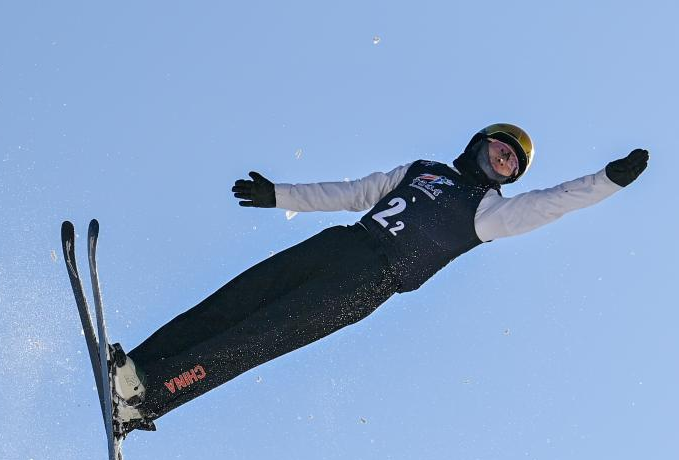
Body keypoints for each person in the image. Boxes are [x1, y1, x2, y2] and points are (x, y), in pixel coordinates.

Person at [109, 123, 649, 432]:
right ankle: (134, 367)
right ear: (479, 142)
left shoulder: (491, 212)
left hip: (369, 283)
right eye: (500, 147)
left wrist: (607, 181)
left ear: (510, 176)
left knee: (256, 335)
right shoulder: (421, 172)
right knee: (235, 299)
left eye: (513, 162)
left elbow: (553, 203)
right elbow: (351, 192)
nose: (503, 159)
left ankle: (146, 400)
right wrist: (280, 196)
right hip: (341, 246)